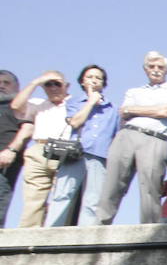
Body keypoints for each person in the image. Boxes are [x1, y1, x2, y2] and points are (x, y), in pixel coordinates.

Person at [98, 51, 167, 224]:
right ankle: (100, 226)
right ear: (145, 69)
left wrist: (135, 110)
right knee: (113, 185)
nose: (156, 70)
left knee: (150, 189)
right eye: (151, 67)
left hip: (155, 138)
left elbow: (164, 111)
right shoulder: (133, 91)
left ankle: (149, 231)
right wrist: (153, 110)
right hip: (127, 135)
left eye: (160, 67)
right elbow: (123, 113)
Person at [10, 71, 78, 227]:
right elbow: (15, 106)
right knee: (32, 198)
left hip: (64, 149)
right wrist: (36, 82)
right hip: (39, 148)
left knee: (61, 197)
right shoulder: (38, 104)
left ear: (66, 85)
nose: (53, 87)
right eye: (48, 84)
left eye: (57, 83)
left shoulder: (75, 103)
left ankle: (56, 235)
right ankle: (27, 237)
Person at [64, 65, 120, 225]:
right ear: (82, 81)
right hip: (74, 154)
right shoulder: (74, 102)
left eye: (98, 78)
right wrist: (90, 102)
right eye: (90, 77)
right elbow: (75, 122)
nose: (94, 80)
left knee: (93, 199)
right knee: (63, 195)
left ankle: (85, 237)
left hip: (100, 155)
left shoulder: (113, 109)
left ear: (103, 83)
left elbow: (115, 135)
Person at [0, 70, 34, 224]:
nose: (1, 86)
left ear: (17, 87)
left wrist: (12, 150)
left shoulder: (20, 105)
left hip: (4, 159)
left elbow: (27, 129)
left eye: (6, 83)